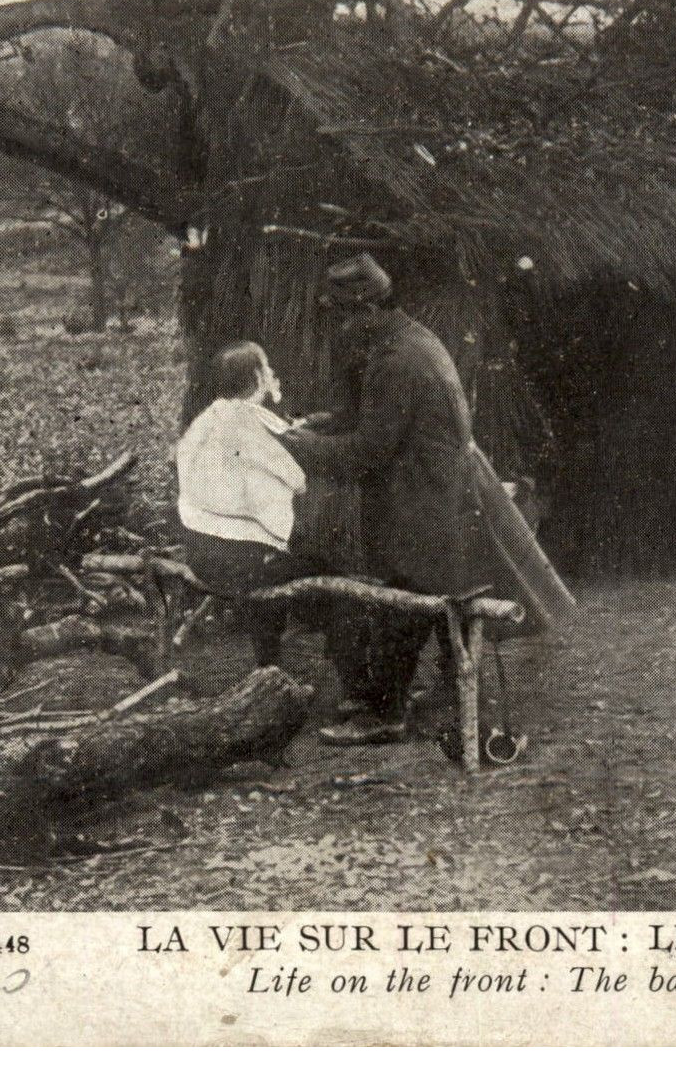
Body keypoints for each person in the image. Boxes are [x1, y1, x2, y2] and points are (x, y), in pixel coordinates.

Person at [283, 253, 578, 746]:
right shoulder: (409, 340)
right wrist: (326, 423)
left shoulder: (397, 359)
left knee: (406, 597)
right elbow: (380, 420)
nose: (341, 327)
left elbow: (369, 452)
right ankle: (445, 686)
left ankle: (385, 714)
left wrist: (299, 446)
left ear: (368, 311)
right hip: (440, 489)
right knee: (440, 593)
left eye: (344, 316)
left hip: (426, 498)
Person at [176, 341, 316, 667]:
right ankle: (272, 665)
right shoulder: (250, 424)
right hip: (237, 563)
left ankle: (269, 661)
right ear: (256, 376)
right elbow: (297, 480)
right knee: (316, 560)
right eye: (267, 368)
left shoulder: (207, 419)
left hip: (199, 552)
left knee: (267, 542)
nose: (272, 374)